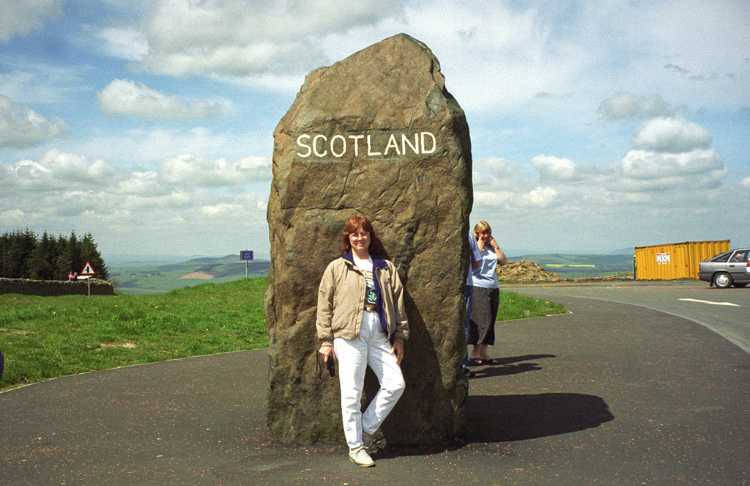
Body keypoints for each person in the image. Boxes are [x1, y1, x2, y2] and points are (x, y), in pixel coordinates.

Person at [316, 215, 408, 468]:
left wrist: (399, 336)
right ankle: (356, 447)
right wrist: (325, 340)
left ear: (370, 236)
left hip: (378, 332)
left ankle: (365, 429)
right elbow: (324, 305)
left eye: (364, 233)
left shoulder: (386, 267)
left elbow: (398, 304)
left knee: (395, 383)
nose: (359, 238)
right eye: (354, 234)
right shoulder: (337, 267)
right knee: (351, 394)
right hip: (348, 335)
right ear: (348, 238)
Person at [467, 221, 507, 365]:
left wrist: (496, 246)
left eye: (487, 232)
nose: (485, 235)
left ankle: (484, 352)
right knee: (481, 320)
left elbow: (503, 261)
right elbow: (473, 264)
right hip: (478, 286)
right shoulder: (475, 247)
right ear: (476, 233)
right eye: (482, 232)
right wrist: (481, 245)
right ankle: (475, 352)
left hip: (493, 286)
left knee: (490, 320)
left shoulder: (491, 248)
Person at [462, 227, 482, 377]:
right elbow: (477, 263)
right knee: (462, 326)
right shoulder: (467, 234)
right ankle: (460, 365)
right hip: (465, 283)